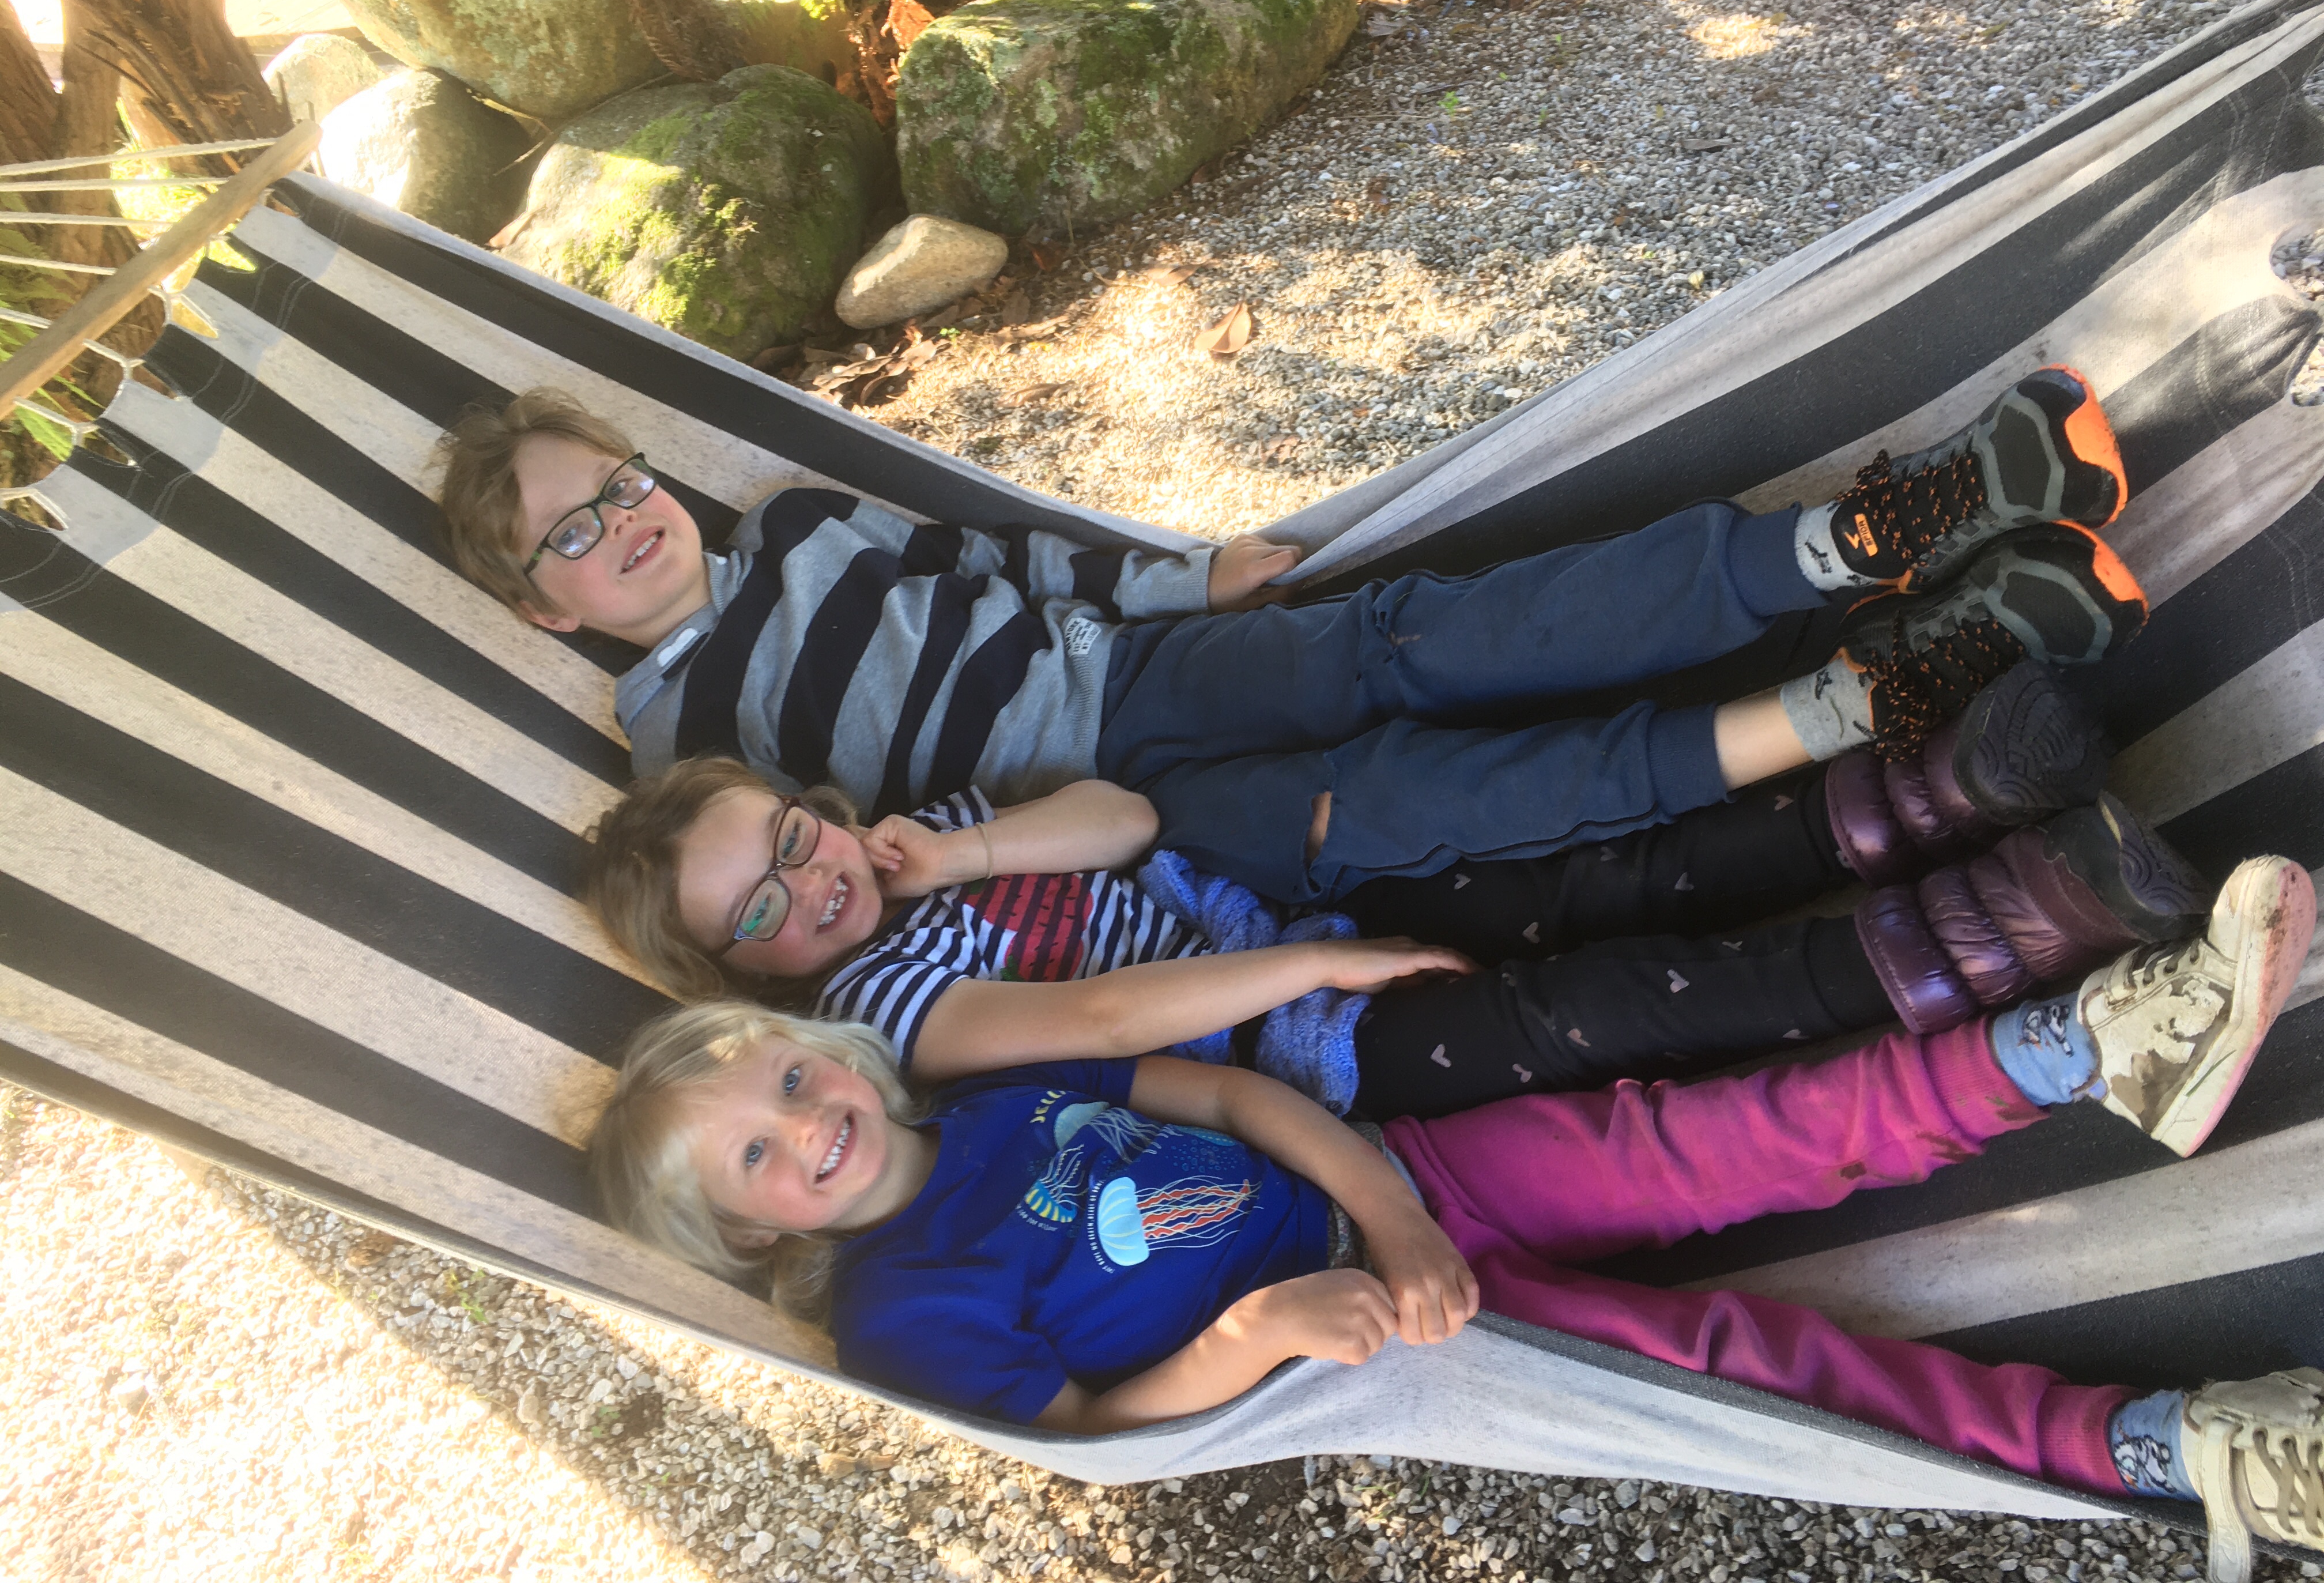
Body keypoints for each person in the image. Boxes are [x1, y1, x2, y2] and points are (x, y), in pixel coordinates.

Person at [586, 857, 2322, 1583]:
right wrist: (1260, 1331)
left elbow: (1233, 1102)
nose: (806, 1127)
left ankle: (2084, 1048)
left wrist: (1389, 1210)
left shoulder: (977, 1102)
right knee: (1751, 1373)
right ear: (750, 1238)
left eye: (787, 1082)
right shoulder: (899, 1310)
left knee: (1710, 1141)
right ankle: (2168, 1451)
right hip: (1388, 1351)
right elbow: (1090, 1431)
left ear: (825, 1053)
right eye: (757, 1158)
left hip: (1408, 1197)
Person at [438, 370, 2146, 903]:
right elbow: (801, 882)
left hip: (1130, 667)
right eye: (571, 535)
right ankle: (1867, 695)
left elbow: (1006, 557)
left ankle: (1865, 536)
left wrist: (1185, 580)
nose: (624, 521)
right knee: (1423, 805)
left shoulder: (803, 519)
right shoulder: (676, 753)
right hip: (1106, 836)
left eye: (621, 482)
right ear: (540, 609)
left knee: (1431, 638)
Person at [580, 661, 2209, 1118]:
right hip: (1294, 1060)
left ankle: (1935, 796)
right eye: (756, 912)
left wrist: (968, 848)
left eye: (786, 839)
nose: (805, 886)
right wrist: (1315, 979)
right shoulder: (874, 1009)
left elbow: (1123, 813)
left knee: (1603, 875)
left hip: (1291, 931)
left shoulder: (917, 848)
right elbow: (1105, 1018)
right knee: (1616, 1009)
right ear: (744, 972)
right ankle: (2008, 924)